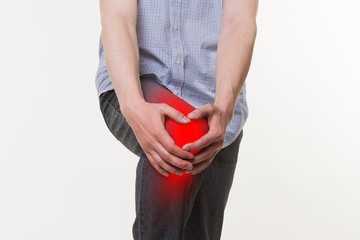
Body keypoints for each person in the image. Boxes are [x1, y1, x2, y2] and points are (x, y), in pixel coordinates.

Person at [95, 0, 258, 239]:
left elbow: (239, 20)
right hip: (138, 83)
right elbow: (118, 16)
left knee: (200, 233)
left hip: (214, 102)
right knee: (183, 135)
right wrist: (133, 104)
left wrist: (224, 108)